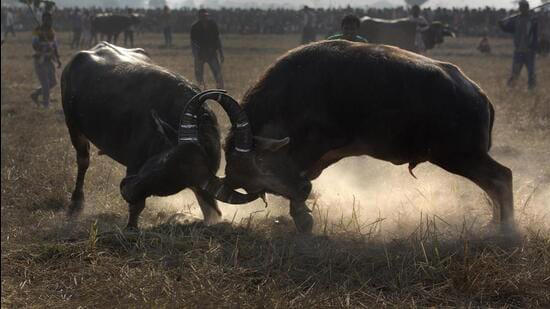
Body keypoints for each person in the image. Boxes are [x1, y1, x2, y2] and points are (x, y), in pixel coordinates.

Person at [499, 0, 539, 89]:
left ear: (527, 8)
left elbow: (535, 36)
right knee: (515, 71)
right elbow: (508, 29)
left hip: (529, 51)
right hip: (518, 50)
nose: (521, 9)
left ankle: (531, 88)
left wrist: (535, 47)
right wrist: (501, 25)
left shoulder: (532, 20)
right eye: (520, 7)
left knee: (531, 72)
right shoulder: (516, 20)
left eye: (523, 7)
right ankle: (511, 88)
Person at [30, 12, 61, 109]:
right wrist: (44, 45)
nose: (49, 22)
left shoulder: (52, 31)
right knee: (46, 83)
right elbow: (34, 45)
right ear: (43, 20)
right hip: (40, 60)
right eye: (47, 20)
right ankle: (46, 105)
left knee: (53, 82)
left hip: (49, 60)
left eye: (50, 20)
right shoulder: (37, 31)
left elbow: (55, 46)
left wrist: (58, 59)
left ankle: (35, 94)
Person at [190, 8, 224, 89]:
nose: (204, 18)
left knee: (218, 74)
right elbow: (193, 43)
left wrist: (221, 53)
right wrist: (196, 56)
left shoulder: (213, 25)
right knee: (199, 75)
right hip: (200, 54)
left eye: (205, 16)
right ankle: (202, 89)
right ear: (199, 17)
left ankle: (220, 89)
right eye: (202, 16)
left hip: (211, 53)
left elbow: (217, 39)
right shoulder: (194, 27)